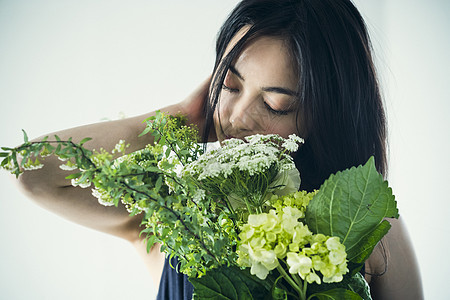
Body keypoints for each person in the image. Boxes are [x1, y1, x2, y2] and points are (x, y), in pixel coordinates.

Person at [16, 0, 423, 299]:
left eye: (276, 104)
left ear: (326, 119)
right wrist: (178, 118)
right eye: (229, 84)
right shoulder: (173, 217)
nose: (239, 116)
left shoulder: (367, 222)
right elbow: (32, 172)